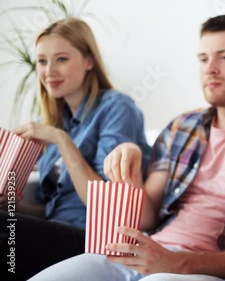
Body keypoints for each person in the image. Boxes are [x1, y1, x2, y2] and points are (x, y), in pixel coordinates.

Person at [29, 14, 225, 281]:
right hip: (147, 250)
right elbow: (147, 217)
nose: (210, 68)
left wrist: (177, 263)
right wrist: (133, 172)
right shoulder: (181, 127)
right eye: (203, 58)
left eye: (224, 57)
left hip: (204, 265)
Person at [0, 17, 150, 281]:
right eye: (42, 61)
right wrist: (13, 205)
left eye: (62, 59)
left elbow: (109, 205)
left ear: (89, 61)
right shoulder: (62, 120)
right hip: (57, 229)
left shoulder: (117, 108)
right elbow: (53, 208)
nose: (49, 71)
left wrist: (62, 141)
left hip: (94, 240)